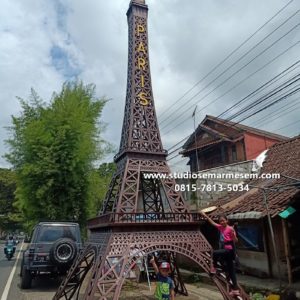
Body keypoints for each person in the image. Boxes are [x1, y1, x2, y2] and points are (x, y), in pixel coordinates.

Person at [200, 211, 240, 297]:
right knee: (231, 271)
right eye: (220, 221)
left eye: (223, 220)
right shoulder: (221, 227)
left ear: (227, 220)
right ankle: (235, 290)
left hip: (230, 250)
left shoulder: (230, 229)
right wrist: (205, 215)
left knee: (214, 253)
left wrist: (233, 235)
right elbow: (212, 223)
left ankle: (214, 267)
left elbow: (236, 241)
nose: (222, 222)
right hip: (225, 250)